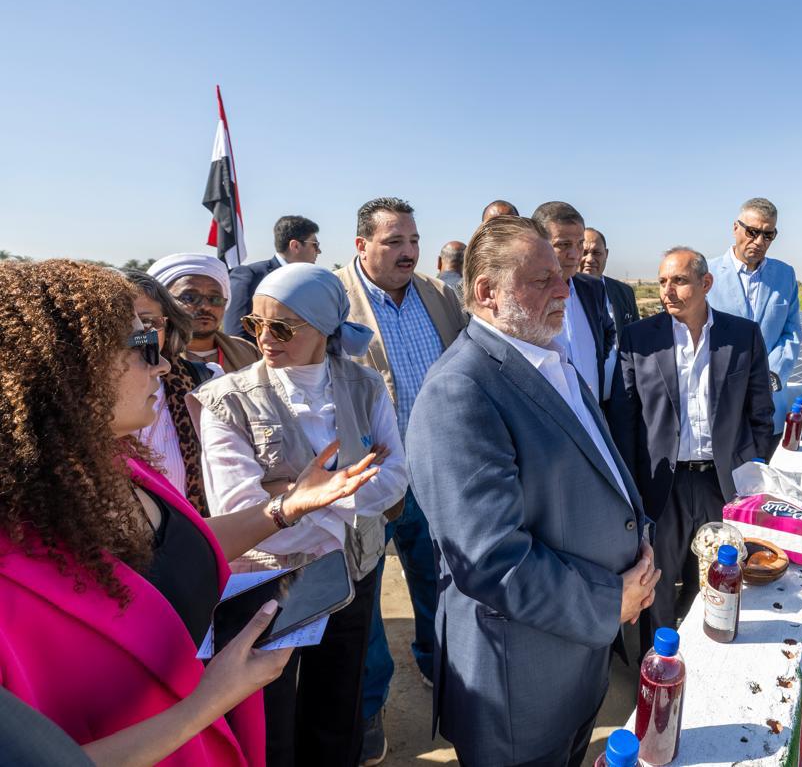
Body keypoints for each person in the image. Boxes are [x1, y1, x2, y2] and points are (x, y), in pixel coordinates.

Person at [0, 259, 381, 766]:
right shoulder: (12, 569)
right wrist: (207, 701)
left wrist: (287, 507)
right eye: (143, 346)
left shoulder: (122, 465)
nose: (162, 365)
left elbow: (176, 548)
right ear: (71, 368)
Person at [406, 215, 658, 766]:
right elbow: (490, 558)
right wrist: (609, 600)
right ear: (487, 292)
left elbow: (600, 471)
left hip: (573, 661)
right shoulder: (460, 390)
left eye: (561, 276)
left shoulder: (549, 359)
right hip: (518, 687)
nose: (564, 289)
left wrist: (636, 538)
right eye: (542, 279)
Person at [192, 263, 410, 767]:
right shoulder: (226, 400)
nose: (265, 338)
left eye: (283, 327)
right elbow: (239, 512)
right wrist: (344, 490)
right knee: (269, 720)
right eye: (255, 323)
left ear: (325, 328)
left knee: (337, 707)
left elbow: (397, 477)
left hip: (351, 574)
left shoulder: (364, 384)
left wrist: (291, 496)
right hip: (269, 584)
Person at [334, 197, 467, 764]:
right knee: (363, 601)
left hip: (435, 472)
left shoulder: (439, 296)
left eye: (413, 240)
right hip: (366, 480)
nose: (408, 251)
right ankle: (368, 708)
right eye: (393, 241)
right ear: (361, 245)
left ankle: (438, 665)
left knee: (438, 580)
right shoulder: (335, 299)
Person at [610, 247, 773, 654]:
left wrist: (751, 473)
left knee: (720, 578)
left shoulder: (742, 335)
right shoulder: (639, 339)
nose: (668, 290)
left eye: (679, 280)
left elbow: (760, 413)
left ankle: (711, 659)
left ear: (706, 283)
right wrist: (631, 488)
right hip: (662, 486)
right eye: (662, 281)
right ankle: (658, 667)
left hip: (723, 485)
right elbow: (624, 420)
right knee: (658, 582)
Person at [704, 197, 802, 453]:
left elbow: (791, 332)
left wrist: (771, 376)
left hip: (769, 403)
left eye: (768, 235)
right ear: (735, 227)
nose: (759, 242)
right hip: (718, 401)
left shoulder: (785, 275)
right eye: (752, 232)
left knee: (764, 472)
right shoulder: (707, 274)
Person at [127, 269, 218, 514]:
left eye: (148, 323)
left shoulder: (205, 383)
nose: (138, 336)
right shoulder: (77, 398)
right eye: (124, 325)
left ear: (168, 326)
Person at [530, 201, 615, 403]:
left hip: (593, 409)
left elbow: (607, 333)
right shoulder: (525, 295)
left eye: (579, 244)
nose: (575, 254)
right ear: (537, 243)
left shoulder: (593, 289)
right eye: (564, 245)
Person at [150, 253, 260, 374]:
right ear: (163, 302)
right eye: (190, 298)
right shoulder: (146, 357)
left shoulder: (248, 351)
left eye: (215, 299)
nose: (206, 307)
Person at [224, 216, 322, 341]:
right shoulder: (250, 276)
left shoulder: (312, 283)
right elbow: (237, 338)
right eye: (315, 245)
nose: (319, 251)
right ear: (295, 246)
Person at [581, 227, 639, 402]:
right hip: (582, 399)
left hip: (620, 399)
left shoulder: (624, 292)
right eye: (584, 252)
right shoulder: (563, 292)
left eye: (596, 253)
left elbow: (635, 342)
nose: (590, 259)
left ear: (606, 254)